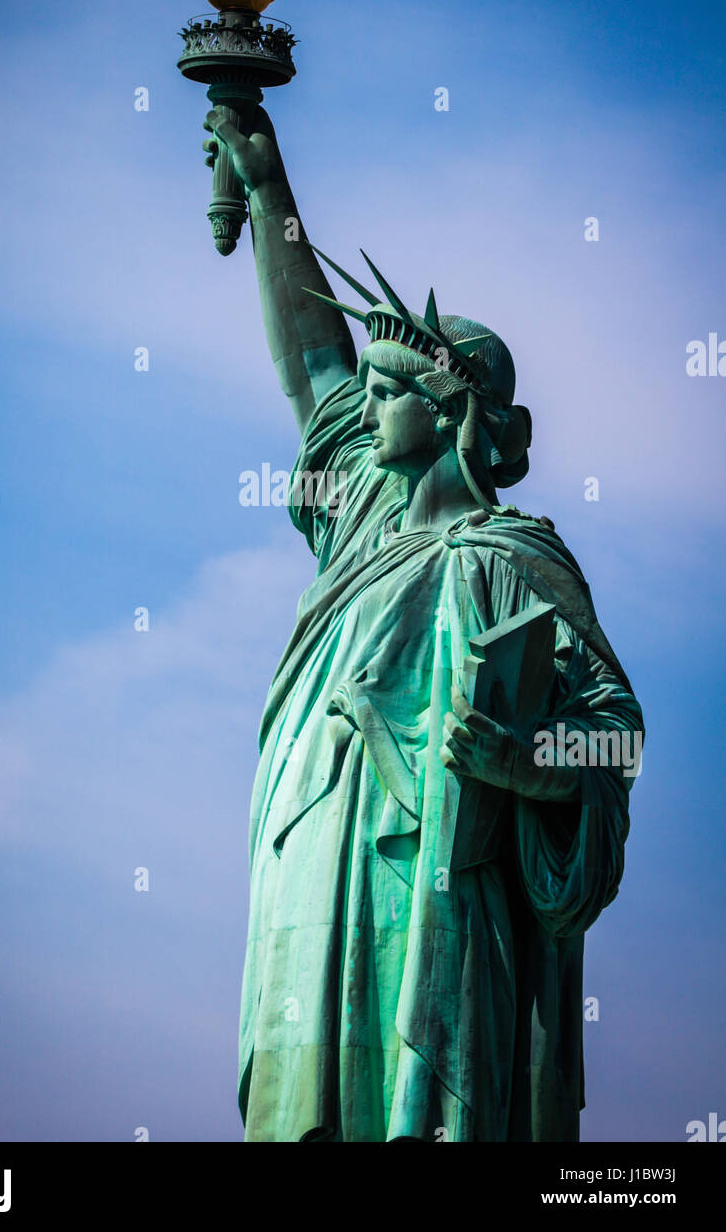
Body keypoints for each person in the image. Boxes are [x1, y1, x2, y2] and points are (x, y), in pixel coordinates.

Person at [202, 106, 644, 1143]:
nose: (360, 398)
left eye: (387, 387)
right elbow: (313, 361)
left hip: (435, 896)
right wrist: (268, 190)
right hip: (309, 868)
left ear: (446, 411)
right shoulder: (360, 518)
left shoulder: (511, 559)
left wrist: (526, 762)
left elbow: (612, 734)